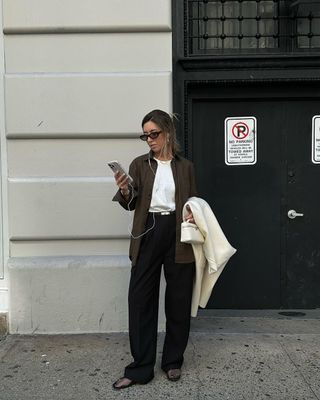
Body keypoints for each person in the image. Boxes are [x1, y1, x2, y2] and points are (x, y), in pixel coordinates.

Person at [112, 109, 197, 389]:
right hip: (148, 232)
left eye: (154, 133)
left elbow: (194, 203)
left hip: (178, 235)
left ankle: (173, 361)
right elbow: (131, 202)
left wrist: (192, 214)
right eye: (145, 135)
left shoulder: (185, 166)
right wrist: (125, 190)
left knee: (178, 300)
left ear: (168, 132)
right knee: (140, 301)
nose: (149, 139)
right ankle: (140, 369)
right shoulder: (139, 164)